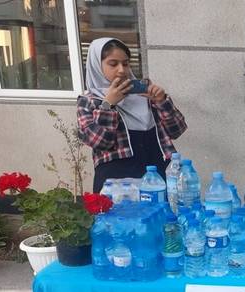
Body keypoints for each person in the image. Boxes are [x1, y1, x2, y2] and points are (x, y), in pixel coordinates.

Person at [77, 38, 187, 193]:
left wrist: (162, 101)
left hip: (157, 175)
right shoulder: (89, 101)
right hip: (117, 184)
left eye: (126, 63)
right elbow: (100, 142)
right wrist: (108, 105)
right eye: (113, 64)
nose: (122, 70)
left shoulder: (144, 93)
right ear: (96, 65)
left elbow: (177, 130)